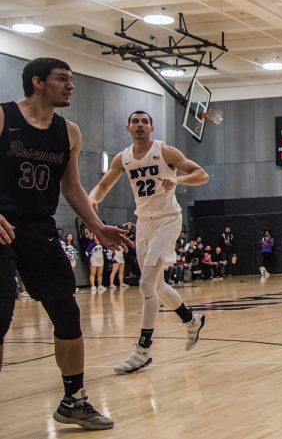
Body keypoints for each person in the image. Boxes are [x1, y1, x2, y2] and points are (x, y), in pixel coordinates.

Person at [0, 58, 133, 430]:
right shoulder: (3, 118)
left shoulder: (69, 132)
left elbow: (71, 187)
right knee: (1, 313)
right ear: (38, 82)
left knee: (67, 313)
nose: (70, 85)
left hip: (40, 228)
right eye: (62, 79)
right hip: (3, 225)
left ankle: (74, 399)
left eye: (71, 79)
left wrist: (97, 225)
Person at [89, 110, 208, 375]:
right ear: (128, 127)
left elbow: (201, 175)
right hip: (143, 222)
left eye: (145, 122)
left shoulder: (165, 151)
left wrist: (176, 178)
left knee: (145, 283)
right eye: (135, 121)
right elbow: (103, 185)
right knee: (157, 284)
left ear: (152, 127)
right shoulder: (124, 158)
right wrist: (92, 199)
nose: (140, 125)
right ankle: (191, 320)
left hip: (167, 219)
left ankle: (142, 351)